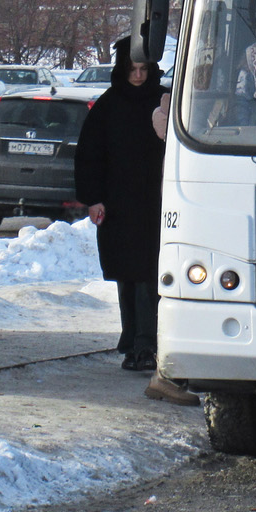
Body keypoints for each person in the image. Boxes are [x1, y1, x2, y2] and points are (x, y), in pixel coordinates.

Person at [75, 39, 197, 406]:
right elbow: (89, 155)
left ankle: (146, 343)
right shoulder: (108, 106)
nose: (140, 76)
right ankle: (132, 339)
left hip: (156, 203)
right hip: (119, 205)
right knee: (127, 276)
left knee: (148, 275)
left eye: (144, 70)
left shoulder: (164, 102)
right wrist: (93, 199)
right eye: (133, 71)